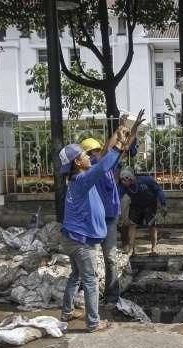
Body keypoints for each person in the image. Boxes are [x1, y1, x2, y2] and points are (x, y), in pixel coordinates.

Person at [59, 125, 133, 333]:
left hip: (72, 237)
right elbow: (103, 165)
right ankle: (93, 323)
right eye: (85, 155)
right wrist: (118, 144)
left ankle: (66, 312)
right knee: (90, 281)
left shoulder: (76, 179)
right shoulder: (82, 179)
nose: (89, 158)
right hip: (82, 241)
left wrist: (118, 139)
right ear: (77, 162)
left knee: (75, 275)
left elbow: (101, 163)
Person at [80, 137, 122, 306]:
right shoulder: (89, 173)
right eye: (91, 153)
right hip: (93, 220)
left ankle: (112, 296)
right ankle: (87, 294)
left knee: (110, 257)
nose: (96, 155)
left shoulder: (107, 166)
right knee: (89, 258)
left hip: (110, 218)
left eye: (97, 151)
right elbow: (108, 150)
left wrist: (123, 132)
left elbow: (114, 150)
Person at [118, 167, 167, 256]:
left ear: (131, 178)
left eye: (126, 180)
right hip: (136, 206)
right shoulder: (123, 186)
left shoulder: (146, 180)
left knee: (152, 226)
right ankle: (131, 249)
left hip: (150, 204)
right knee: (132, 225)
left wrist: (163, 203)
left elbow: (158, 190)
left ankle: (154, 249)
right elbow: (118, 196)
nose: (124, 182)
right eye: (122, 180)